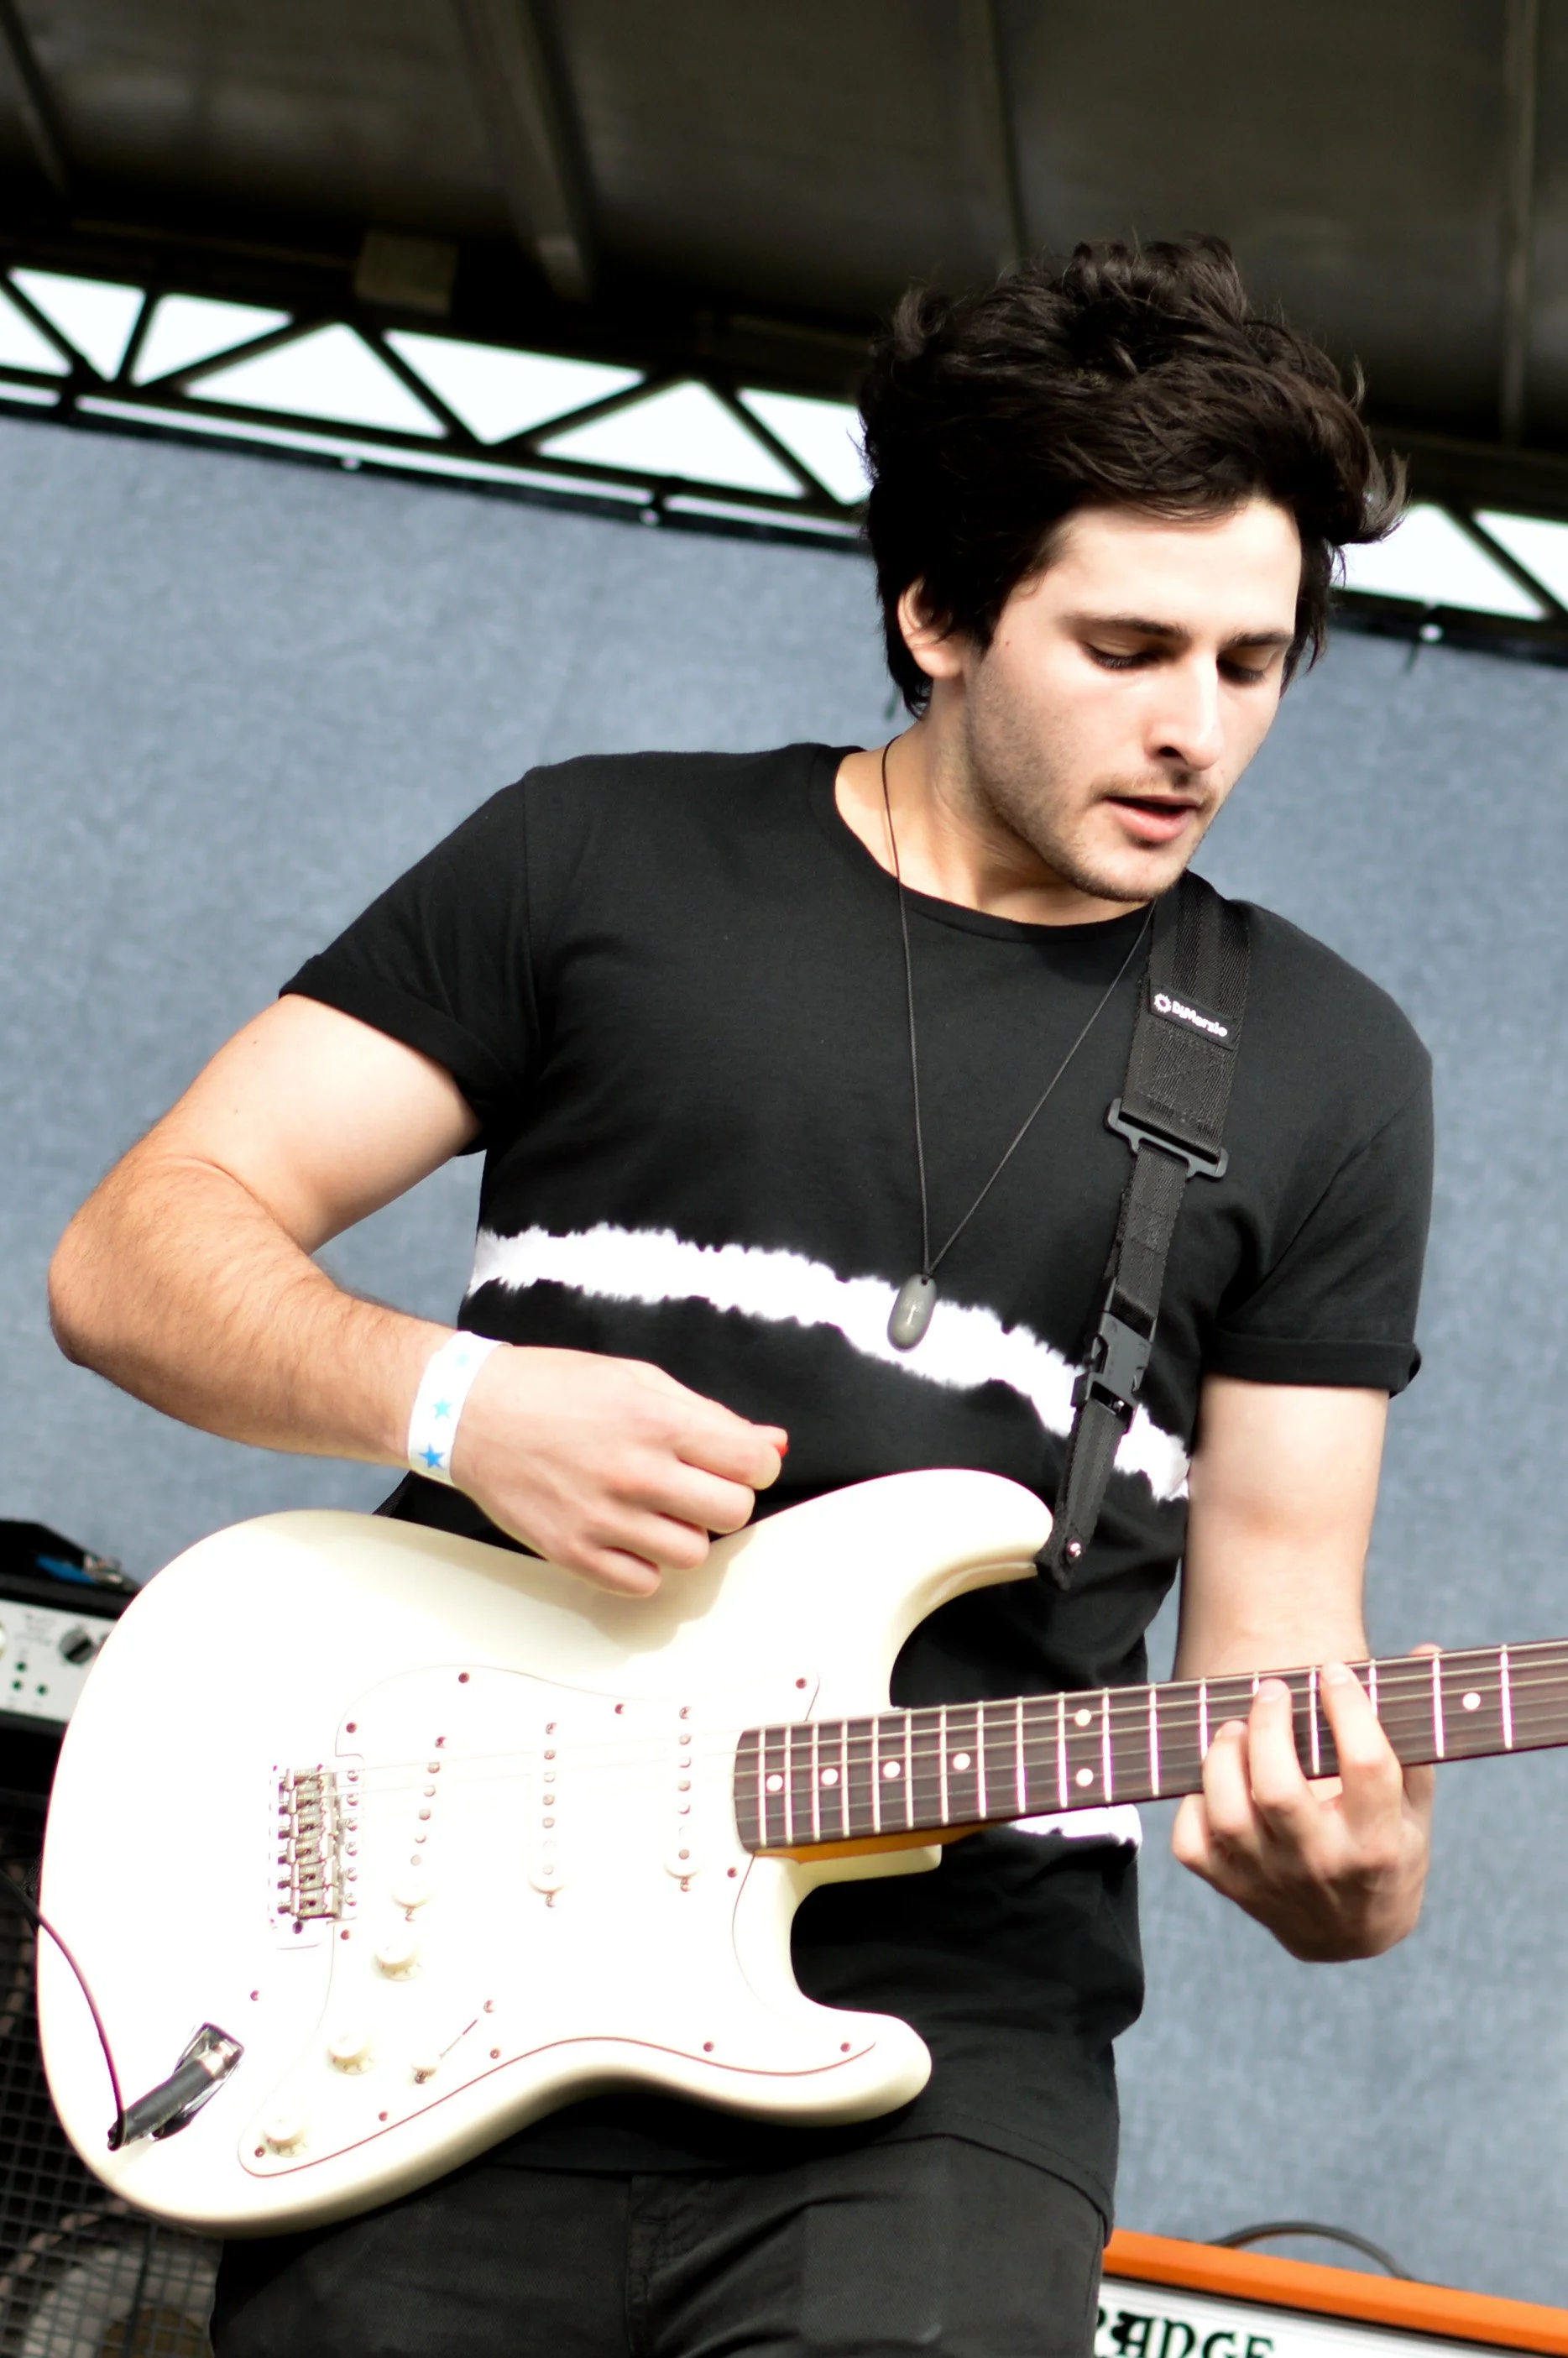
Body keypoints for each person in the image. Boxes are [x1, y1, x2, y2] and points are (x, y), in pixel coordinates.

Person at [49, 238, 1435, 2358]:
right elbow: (135, 1250)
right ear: (941, 613)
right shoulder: (594, 862)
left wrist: (1346, 1880)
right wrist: (455, 1403)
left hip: (940, 2057)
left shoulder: (1327, 1070)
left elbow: (1272, 1660)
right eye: (1131, 646)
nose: (1196, 732)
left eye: (1252, 664)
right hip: (419, 1983)